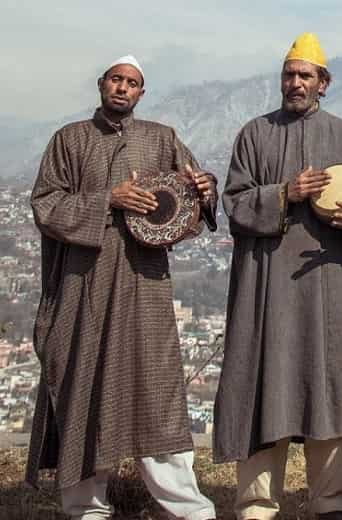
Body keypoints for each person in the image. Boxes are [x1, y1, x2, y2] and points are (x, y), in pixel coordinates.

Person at [26, 55, 218, 520]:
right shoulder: (68, 140)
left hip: (145, 286)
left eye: (132, 83)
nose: (123, 88)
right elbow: (45, 204)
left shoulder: (161, 138)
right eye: (116, 79)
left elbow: (190, 197)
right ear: (101, 84)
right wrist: (106, 200)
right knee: (83, 387)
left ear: (141, 93)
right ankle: (85, 505)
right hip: (84, 287)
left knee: (157, 393)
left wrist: (205, 189)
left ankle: (188, 508)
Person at [213, 33, 342, 520]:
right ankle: (257, 506)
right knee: (262, 388)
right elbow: (235, 205)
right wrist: (285, 193)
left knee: (328, 390)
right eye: (289, 74)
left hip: (328, 292)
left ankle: (332, 504)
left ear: (323, 83)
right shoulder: (254, 134)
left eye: (305, 75)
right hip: (266, 294)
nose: (295, 83)